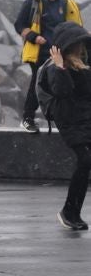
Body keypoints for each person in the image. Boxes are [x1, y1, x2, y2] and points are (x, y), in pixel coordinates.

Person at [37, 22, 91, 230]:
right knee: (85, 160)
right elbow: (63, 91)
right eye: (77, 44)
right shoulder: (54, 68)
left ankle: (72, 212)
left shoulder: (83, 64)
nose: (81, 47)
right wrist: (60, 66)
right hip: (70, 122)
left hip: (85, 119)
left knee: (86, 163)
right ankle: (69, 211)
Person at [14, 0, 83, 133]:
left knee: (64, 85)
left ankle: (66, 119)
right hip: (39, 53)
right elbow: (19, 25)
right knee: (38, 86)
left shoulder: (64, 3)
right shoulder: (34, 2)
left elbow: (72, 25)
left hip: (59, 53)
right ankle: (27, 118)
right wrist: (33, 36)